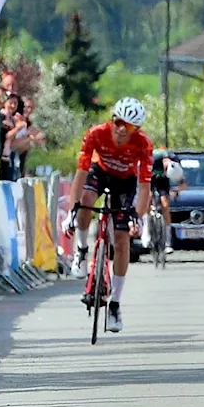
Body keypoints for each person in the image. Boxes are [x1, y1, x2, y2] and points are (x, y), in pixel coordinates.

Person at [68, 98, 154, 333]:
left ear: (136, 129)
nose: (120, 129)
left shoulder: (144, 144)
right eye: (118, 122)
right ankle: (82, 250)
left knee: (122, 240)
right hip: (100, 173)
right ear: (112, 119)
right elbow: (81, 172)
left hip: (125, 183)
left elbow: (144, 187)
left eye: (128, 127)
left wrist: (138, 218)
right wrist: (73, 209)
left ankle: (115, 303)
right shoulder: (96, 133)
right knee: (86, 201)